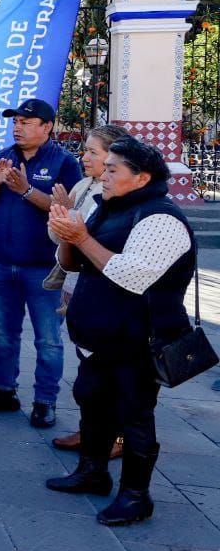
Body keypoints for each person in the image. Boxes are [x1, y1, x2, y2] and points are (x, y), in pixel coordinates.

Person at [46, 137, 196, 526]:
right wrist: (67, 237)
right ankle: (92, 472)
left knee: (134, 416)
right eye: (105, 166)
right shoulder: (108, 208)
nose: (103, 174)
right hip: (100, 340)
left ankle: (135, 495)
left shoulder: (161, 219)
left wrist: (80, 238)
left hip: (139, 342)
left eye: (113, 169)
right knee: (92, 401)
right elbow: (75, 264)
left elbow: (131, 276)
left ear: (142, 177)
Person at [0, 98, 82, 427]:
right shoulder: (3, 157)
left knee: (48, 338)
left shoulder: (63, 163)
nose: (17, 127)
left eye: (26, 122)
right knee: (4, 334)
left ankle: (45, 400)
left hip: (44, 269)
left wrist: (26, 189)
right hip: (1, 263)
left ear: (47, 127)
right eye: (15, 121)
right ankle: (4, 390)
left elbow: (71, 213)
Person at [47, 125, 130, 455]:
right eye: (86, 151)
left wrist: (75, 231)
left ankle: (119, 436)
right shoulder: (83, 186)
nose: (85, 157)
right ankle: (91, 430)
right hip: (78, 286)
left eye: (93, 152)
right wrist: (62, 214)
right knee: (88, 367)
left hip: (108, 294)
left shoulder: (120, 196)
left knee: (116, 370)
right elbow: (59, 238)